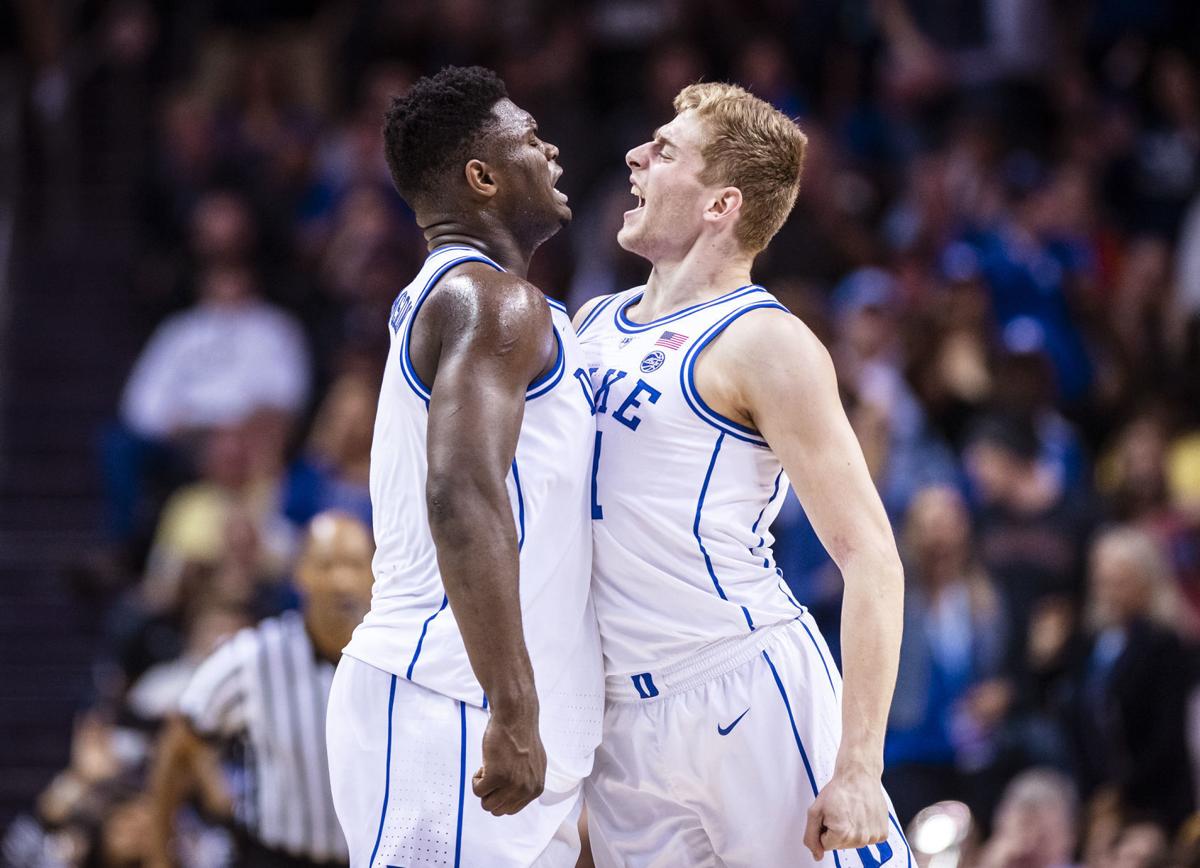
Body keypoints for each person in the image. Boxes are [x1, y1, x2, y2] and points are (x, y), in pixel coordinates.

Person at [574, 82, 911, 866]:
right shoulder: (589, 324)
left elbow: (872, 558)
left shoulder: (765, 340)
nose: (635, 157)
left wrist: (859, 765)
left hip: (741, 686)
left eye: (664, 151)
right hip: (622, 720)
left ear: (721, 204)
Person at [324, 66, 603, 868]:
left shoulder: (470, 299)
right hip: (452, 706)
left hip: (492, 714)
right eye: (527, 139)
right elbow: (460, 493)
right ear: (481, 176)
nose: (549, 148)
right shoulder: (492, 300)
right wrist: (512, 707)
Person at [146, 511, 376, 867]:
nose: (341, 581)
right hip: (275, 856)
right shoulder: (251, 658)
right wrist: (162, 857)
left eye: (354, 565)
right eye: (326, 565)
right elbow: (177, 747)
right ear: (301, 573)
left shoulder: (396, 662)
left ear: (374, 575)